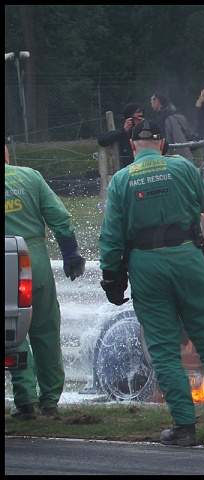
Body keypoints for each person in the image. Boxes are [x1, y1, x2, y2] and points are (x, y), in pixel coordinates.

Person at [98, 120, 204, 446]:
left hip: (146, 265)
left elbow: (112, 237)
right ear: (162, 144)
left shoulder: (121, 181)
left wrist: (111, 278)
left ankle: (184, 427)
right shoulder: (182, 166)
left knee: (163, 348)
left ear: (132, 146)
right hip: (188, 259)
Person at [5, 144, 86, 420]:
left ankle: (25, 401)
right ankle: (50, 401)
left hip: (5, 264)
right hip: (33, 258)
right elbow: (60, 219)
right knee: (45, 328)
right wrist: (71, 255)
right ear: (6, 155)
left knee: (11, 332)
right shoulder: (30, 177)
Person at [150, 92, 195, 162]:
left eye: (152, 100)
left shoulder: (162, 119)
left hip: (173, 160)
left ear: (157, 101)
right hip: (187, 158)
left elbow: (164, 142)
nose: (151, 103)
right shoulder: (178, 116)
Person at [97, 102, 144, 169]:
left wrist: (144, 127)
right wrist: (124, 131)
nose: (138, 120)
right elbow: (101, 140)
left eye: (141, 117)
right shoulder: (122, 132)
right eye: (137, 118)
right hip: (126, 166)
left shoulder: (145, 130)